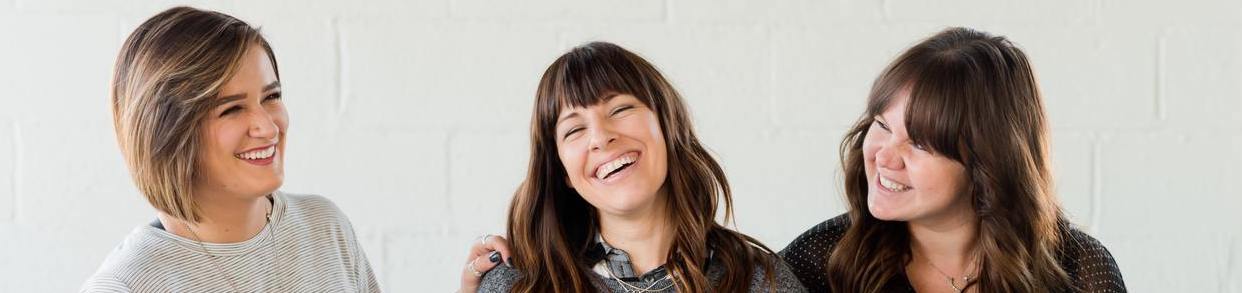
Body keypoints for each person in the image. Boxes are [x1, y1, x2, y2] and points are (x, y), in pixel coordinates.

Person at [82, 7, 379, 292]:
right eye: (232, 109)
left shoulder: (325, 227)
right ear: (168, 132)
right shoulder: (127, 285)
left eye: (271, 96)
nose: (268, 127)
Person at [467, 42, 804, 293]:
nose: (600, 137)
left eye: (620, 109)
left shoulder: (763, 281)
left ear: (669, 125)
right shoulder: (517, 284)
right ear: (562, 172)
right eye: (574, 129)